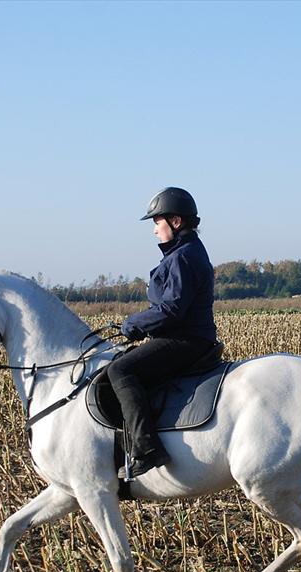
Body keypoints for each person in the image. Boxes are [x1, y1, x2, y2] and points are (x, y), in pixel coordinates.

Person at [109, 187, 217, 479]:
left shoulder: (182, 257)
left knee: (120, 371)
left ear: (176, 222)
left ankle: (147, 449)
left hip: (186, 341)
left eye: (157, 222)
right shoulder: (186, 252)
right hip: (188, 337)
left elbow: (171, 310)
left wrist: (135, 324)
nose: (155, 230)